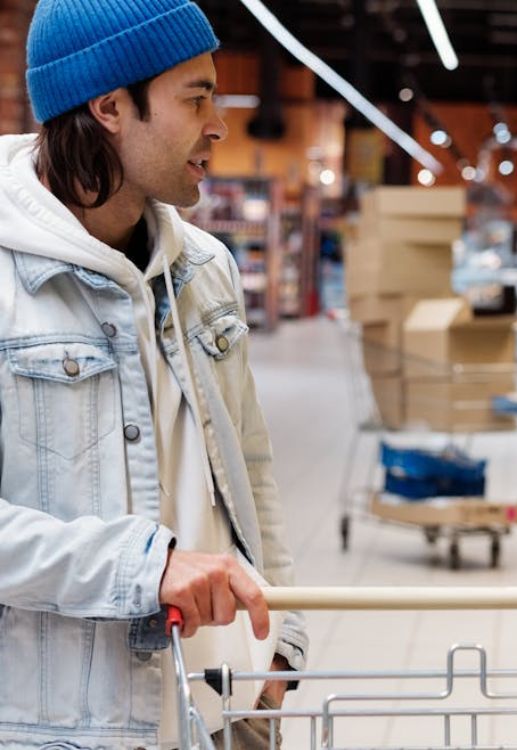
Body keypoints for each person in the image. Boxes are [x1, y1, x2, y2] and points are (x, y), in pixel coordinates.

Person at [0, 1, 306, 747]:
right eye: (195, 95)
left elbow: (251, 471)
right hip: (68, 725)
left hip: (219, 714)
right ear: (109, 106)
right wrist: (146, 567)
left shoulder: (207, 270)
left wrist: (284, 640)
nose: (218, 123)